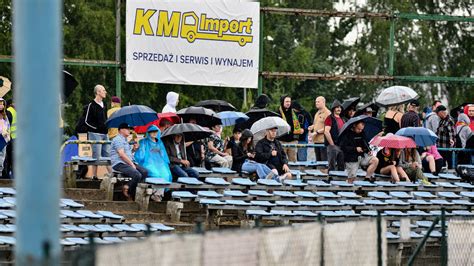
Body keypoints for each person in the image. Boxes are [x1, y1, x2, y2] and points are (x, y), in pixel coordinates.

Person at [110, 123, 148, 200]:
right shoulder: (118, 139)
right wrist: (131, 164)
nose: (129, 131)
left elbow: (127, 154)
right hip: (119, 163)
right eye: (127, 129)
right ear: (121, 130)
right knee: (137, 174)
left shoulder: (124, 140)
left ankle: (131, 190)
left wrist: (134, 149)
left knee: (144, 172)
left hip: (127, 163)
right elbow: (121, 154)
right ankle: (129, 191)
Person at [134, 125, 172, 201]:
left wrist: (165, 163)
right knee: (156, 174)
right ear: (148, 133)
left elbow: (164, 155)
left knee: (166, 175)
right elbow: (140, 155)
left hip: (160, 163)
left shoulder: (160, 143)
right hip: (148, 163)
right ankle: (156, 194)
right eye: (151, 132)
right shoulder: (144, 142)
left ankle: (159, 194)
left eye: (155, 131)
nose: (154, 133)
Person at [85, 84, 111, 178]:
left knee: (107, 154)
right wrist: (96, 128)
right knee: (96, 155)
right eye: (103, 90)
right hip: (95, 134)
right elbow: (86, 121)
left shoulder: (105, 105)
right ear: (98, 92)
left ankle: (112, 174)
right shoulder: (91, 105)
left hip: (105, 133)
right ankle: (94, 176)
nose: (105, 92)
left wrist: (107, 126)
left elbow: (105, 118)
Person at [277, 95, 304, 162]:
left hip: (293, 141)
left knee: (293, 161)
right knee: (281, 161)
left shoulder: (294, 112)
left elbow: (300, 123)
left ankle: (293, 172)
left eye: (289, 101)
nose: (288, 103)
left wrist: (302, 129)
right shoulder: (277, 113)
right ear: (282, 102)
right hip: (281, 141)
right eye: (286, 101)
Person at [324, 100, 345, 171]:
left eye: (340, 107)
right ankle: (330, 180)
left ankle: (340, 181)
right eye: (337, 107)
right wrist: (332, 145)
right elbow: (326, 132)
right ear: (333, 108)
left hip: (341, 145)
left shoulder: (342, 119)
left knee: (342, 166)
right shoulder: (329, 118)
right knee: (331, 166)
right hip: (332, 145)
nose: (339, 109)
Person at [309, 96, 331, 162]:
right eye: (316, 102)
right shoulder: (317, 113)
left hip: (323, 142)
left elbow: (328, 127)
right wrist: (311, 127)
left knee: (324, 163)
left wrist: (317, 132)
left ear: (323, 102)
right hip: (316, 141)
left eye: (318, 102)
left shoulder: (328, 113)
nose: (316, 103)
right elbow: (316, 124)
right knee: (318, 162)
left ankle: (325, 172)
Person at [2, 99, 14, 179]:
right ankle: (4, 175)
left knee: (5, 158)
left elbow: (8, 126)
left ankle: (5, 175)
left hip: (7, 139)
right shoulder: (9, 112)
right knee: (6, 158)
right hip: (7, 139)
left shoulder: (7, 113)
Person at [0, 98, 9, 178]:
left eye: (3, 104)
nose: (1, 105)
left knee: (2, 159)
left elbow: (8, 126)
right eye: (0, 103)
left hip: (3, 139)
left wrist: (7, 133)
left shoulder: (5, 116)